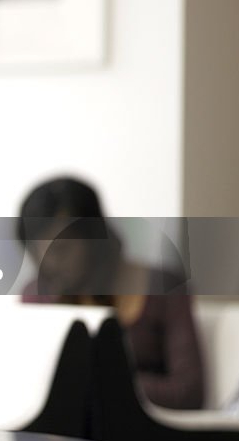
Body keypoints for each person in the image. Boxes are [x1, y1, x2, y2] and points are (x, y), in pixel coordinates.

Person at [18, 176, 204, 410]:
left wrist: (103, 382)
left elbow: (188, 392)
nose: (50, 265)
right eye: (37, 253)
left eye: (62, 250)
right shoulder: (36, 295)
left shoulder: (163, 288)